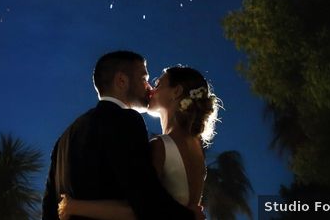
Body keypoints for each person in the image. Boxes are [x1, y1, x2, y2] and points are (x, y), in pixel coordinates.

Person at [41, 51, 211, 220]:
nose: (149, 88)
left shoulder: (63, 140)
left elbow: (49, 209)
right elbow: (145, 201)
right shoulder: (127, 121)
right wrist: (188, 216)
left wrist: (72, 207)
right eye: (144, 79)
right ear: (121, 81)